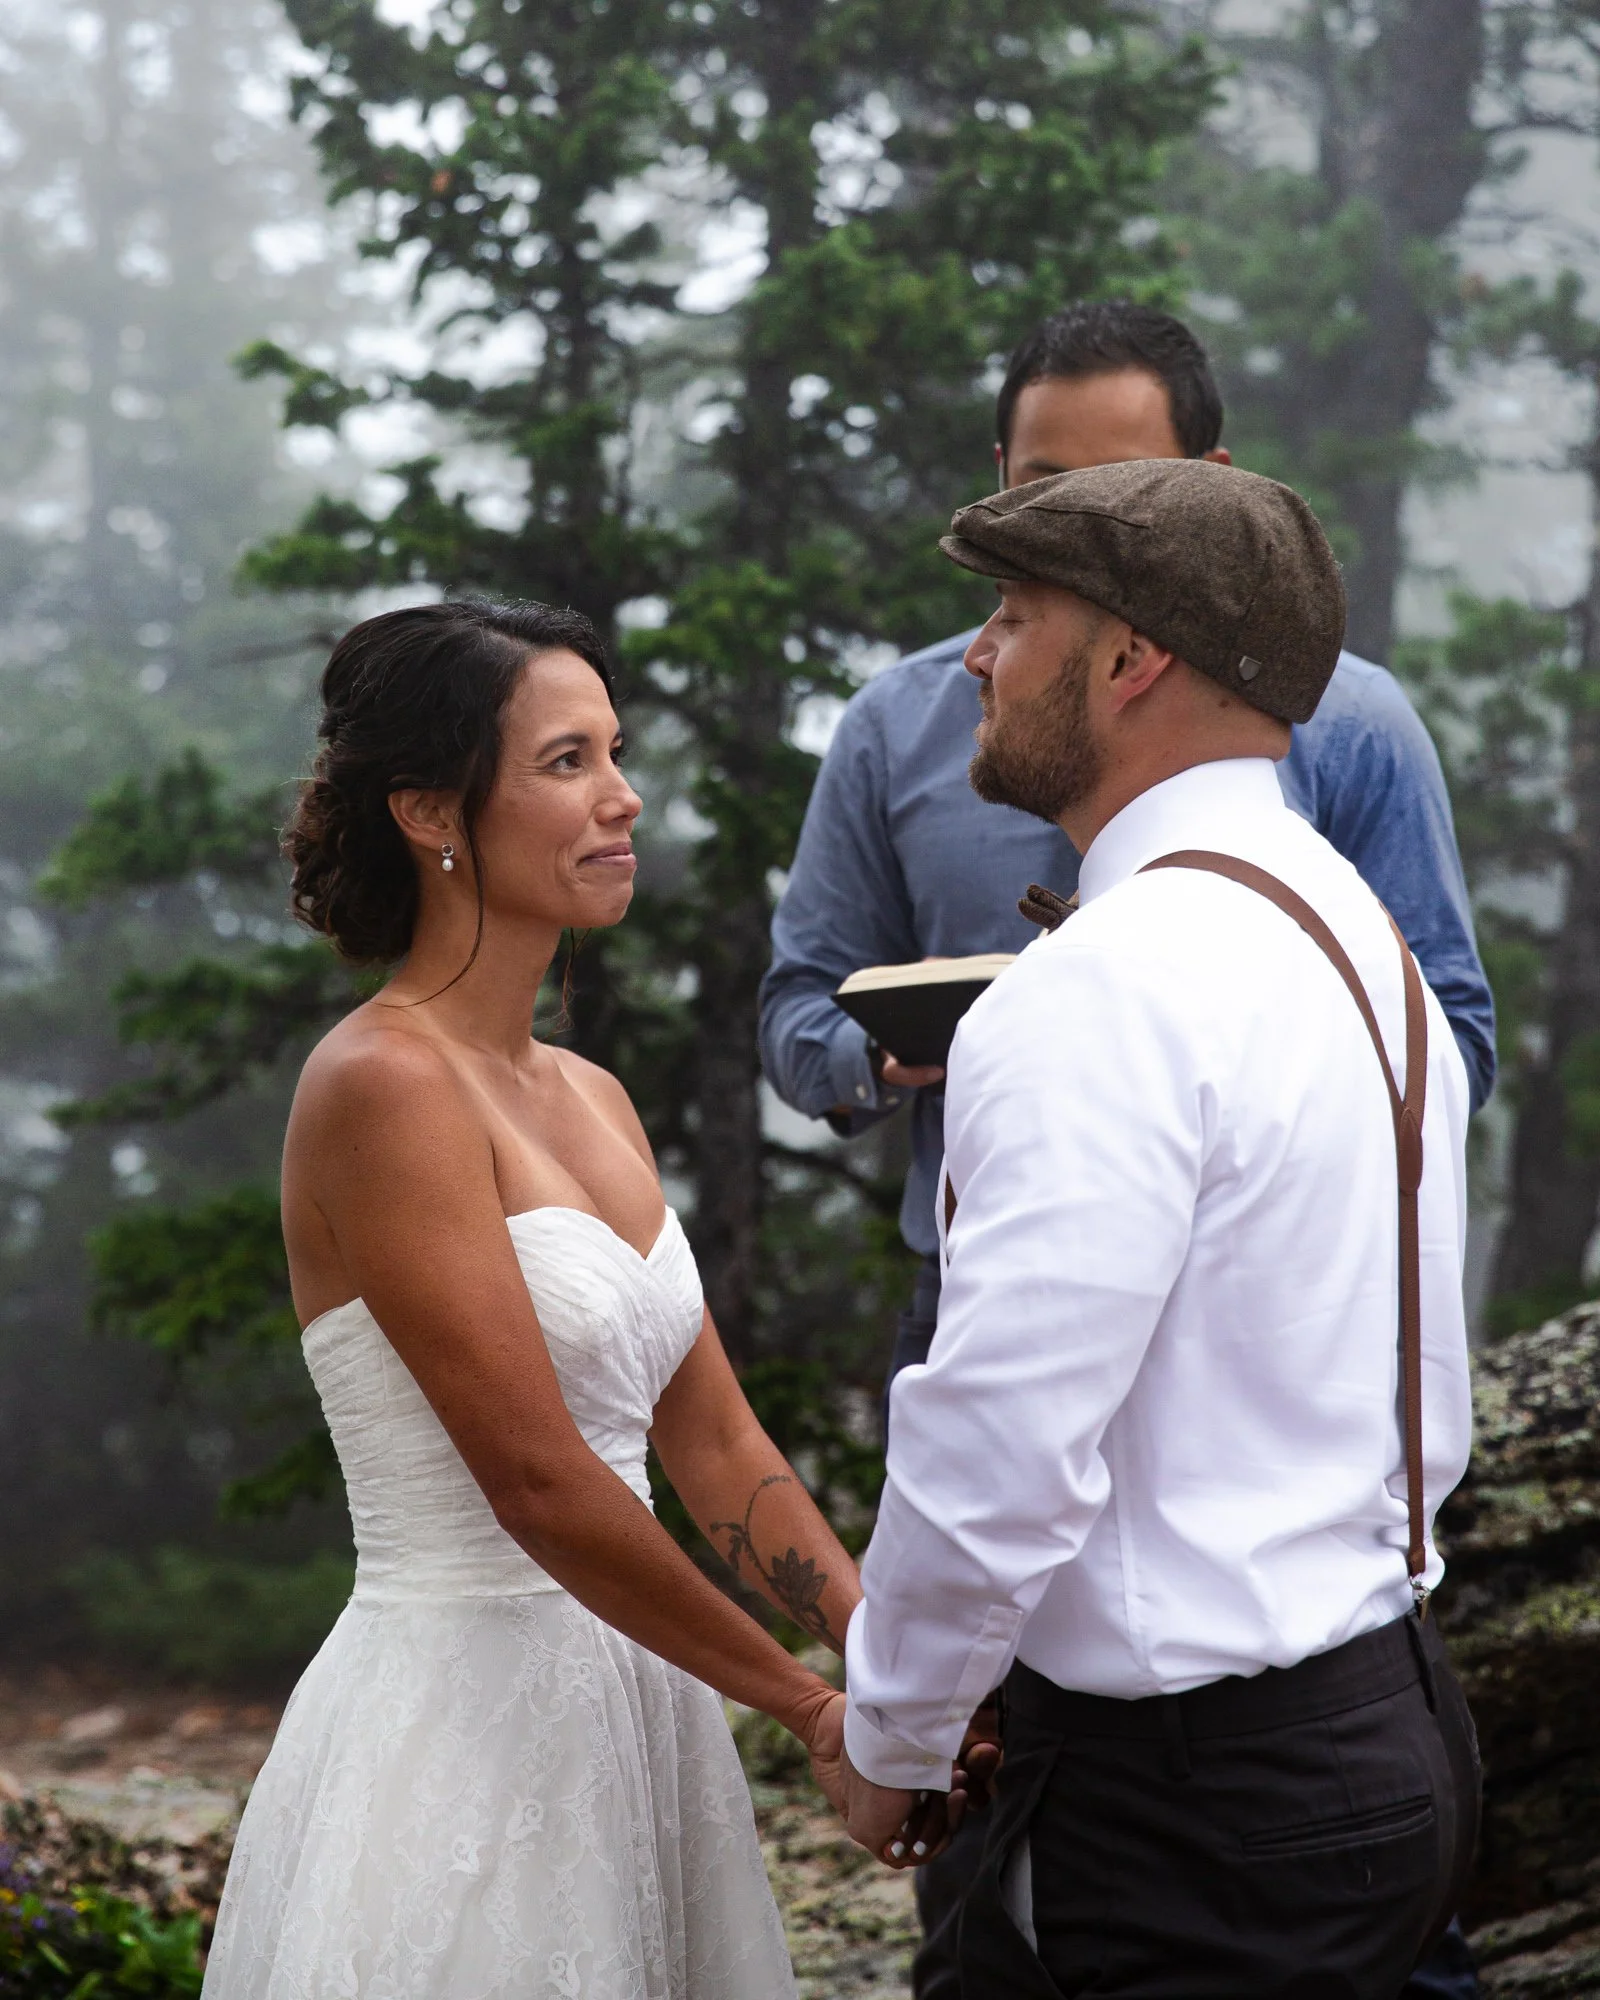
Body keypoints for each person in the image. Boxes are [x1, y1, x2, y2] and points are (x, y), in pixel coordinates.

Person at [758, 300, 1491, 1998]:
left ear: (1135, 656)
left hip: (1189, 1814)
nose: (976, 657)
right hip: (1385, 1716)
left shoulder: (1100, 990)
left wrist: (898, 1733)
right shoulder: (1350, 944)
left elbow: (1002, 1437)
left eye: (1017, 614)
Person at [202, 599, 894, 1999]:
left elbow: (712, 1444)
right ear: (428, 810)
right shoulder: (380, 1084)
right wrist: (814, 1712)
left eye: (616, 753)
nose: (623, 797)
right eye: (567, 761)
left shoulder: (594, 1097)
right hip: (457, 1731)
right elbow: (537, 1476)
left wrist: (891, 1656)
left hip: (644, 1711)